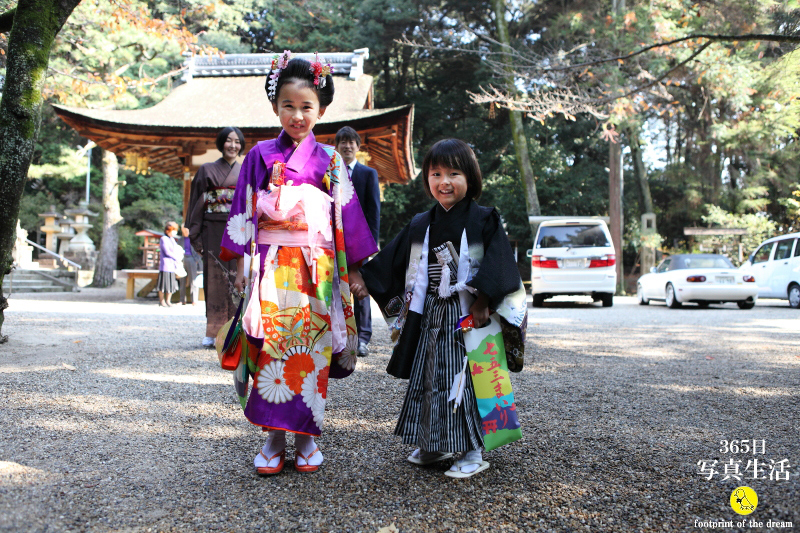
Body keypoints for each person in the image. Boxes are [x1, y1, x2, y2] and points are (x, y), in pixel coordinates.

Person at [219, 51, 377, 475]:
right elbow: (244, 210)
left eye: (306, 107)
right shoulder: (258, 156)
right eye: (288, 105)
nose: (297, 115)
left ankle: (306, 437)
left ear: (321, 110)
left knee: (311, 348)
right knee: (269, 345)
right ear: (275, 107)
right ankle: (272, 437)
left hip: (316, 267)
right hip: (272, 264)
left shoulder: (329, 160)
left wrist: (356, 269)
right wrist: (239, 264)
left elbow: (347, 215)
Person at [350, 139, 528, 479]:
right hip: (431, 312)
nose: (444, 181)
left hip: (470, 314)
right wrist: (363, 278)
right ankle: (435, 442)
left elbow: (501, 263)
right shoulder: (421, 223)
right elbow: (392, 261)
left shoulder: (485, 219)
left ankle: (472, 450)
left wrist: (483, 301)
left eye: (453, 173)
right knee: (430, 376)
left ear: (471, 178)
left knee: (469, 380)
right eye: (436, 173)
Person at [186, 126, 246, 347]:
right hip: (212, 230)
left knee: (237, 279)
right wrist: (196, 234)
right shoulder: (206, 170)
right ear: (221, 144)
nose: (233, 145)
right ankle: (213, 331)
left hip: (237, 230)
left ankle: (234, 328)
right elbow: (196, 203)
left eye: (237, 141)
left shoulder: (245, 171)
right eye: (229, 141)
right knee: (214, 280)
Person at [334, 126, 380, 357]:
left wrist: (371, 245)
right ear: (337, 146)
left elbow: (374, 212)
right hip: (334, 241)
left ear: (358, 146)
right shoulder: (330, 173)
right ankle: (340, 337)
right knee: (336, 288)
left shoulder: (368, 174)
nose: (347, 146)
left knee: (360, 289)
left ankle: (362, 337)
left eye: (351, 142)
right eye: (343, 142)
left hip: (359, 242)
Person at [157, 221, 184, 307]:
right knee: (163, 284)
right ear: (168, 230)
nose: (174, 232)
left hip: (173, 265)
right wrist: (176, 257)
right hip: (165, 265)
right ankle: (162, 301)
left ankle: (168, 301)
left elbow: (176, 249)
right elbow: (167, 251)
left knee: (171, 284)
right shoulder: (163, 239)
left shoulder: (172, 239)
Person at [178, 226, 202, 305]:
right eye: (183, 230)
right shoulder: (180, 240)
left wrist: (197, 260)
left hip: (192, 259)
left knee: (193, 281)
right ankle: (182, 300)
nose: (185, 231)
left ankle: (194, 300)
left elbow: (200, 250)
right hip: (182, 259)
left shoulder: (194, 239)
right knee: (182, 280)